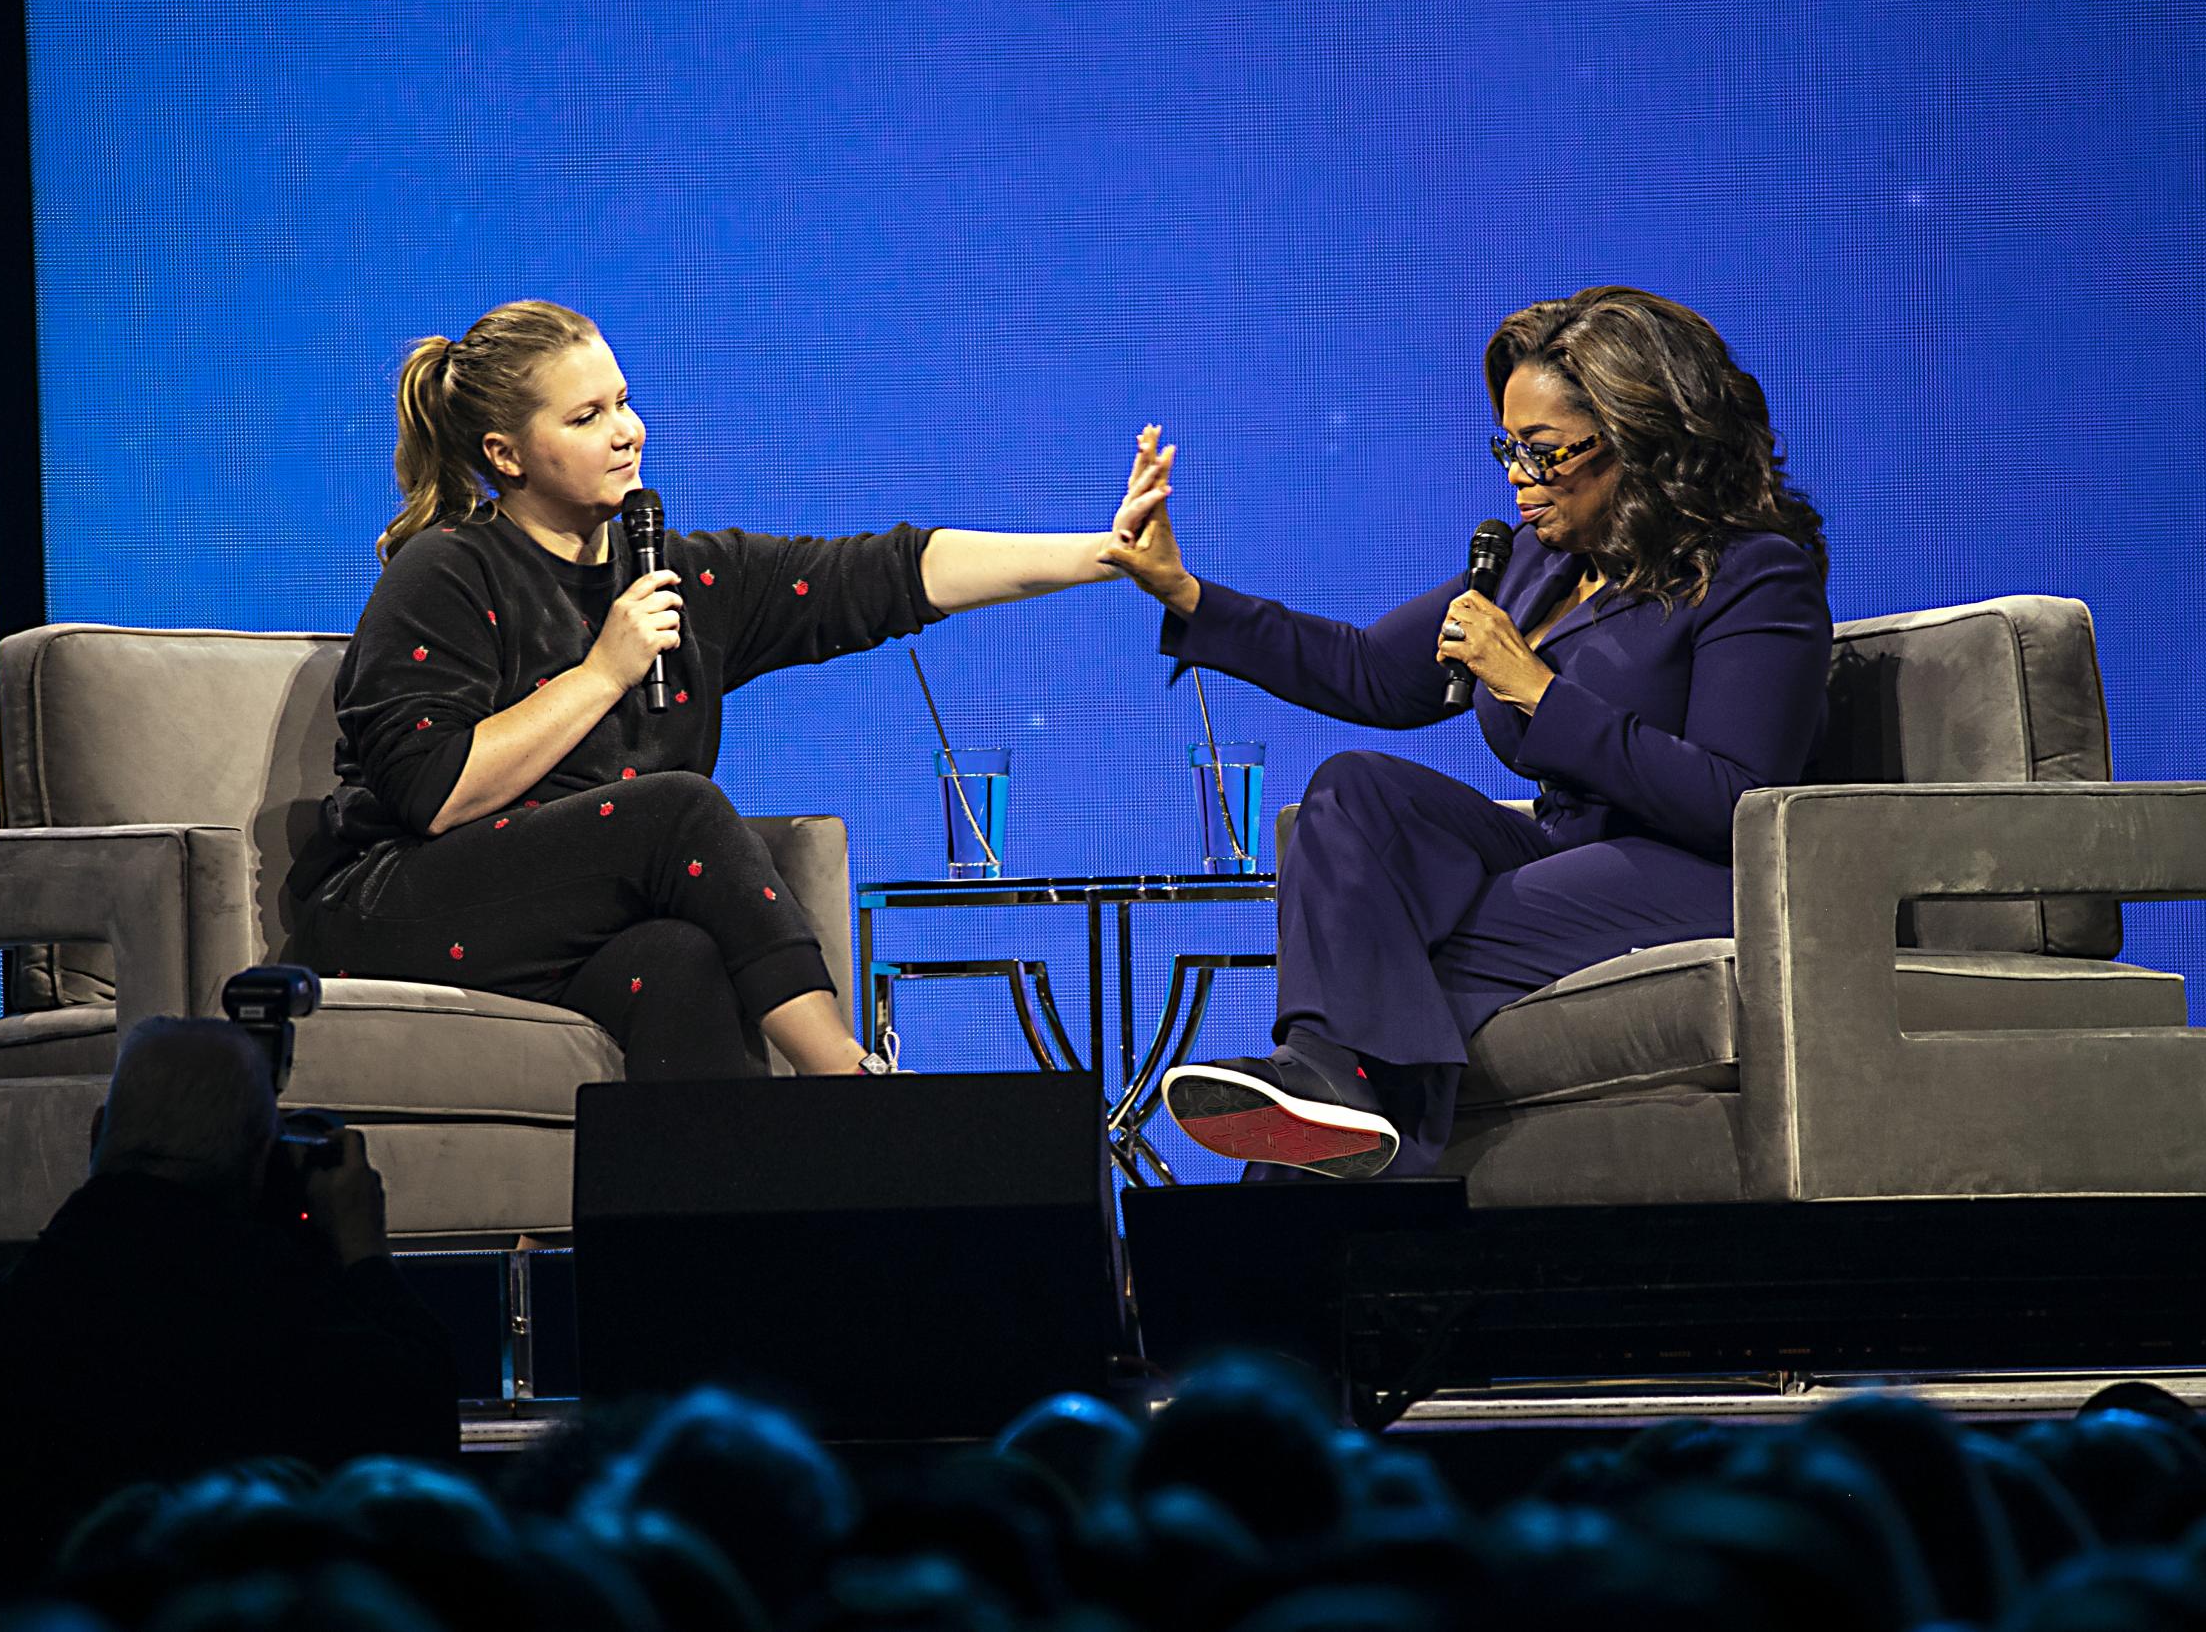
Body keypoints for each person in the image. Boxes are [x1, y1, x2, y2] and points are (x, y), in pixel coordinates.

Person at [291, 300, 1173, 1078]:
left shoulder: (676, 577)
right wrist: (605, 671)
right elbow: (435, 792)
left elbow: (886, 574)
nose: (627, 430)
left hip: (561, 925)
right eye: (589, 415)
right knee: (675, 809)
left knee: (683, 961)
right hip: (398, 906)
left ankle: (713, 1251)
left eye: (626, 401)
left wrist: (1101, 553)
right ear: (506, 454)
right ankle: (851, 1083)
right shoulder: (446, 570)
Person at [1103, 286, 1833, 1178]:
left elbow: (1738, 800)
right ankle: (1327, 1077)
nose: (1518, 477)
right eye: (1509, 448)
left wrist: (1536, 688)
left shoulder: (1756, 576)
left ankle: (1322, 1192)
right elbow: (1372, 669)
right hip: (1564, 851)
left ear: (1642, 439)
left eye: (1545, 451)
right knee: (1352, 791)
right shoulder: (1538, 562)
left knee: (1418, 952)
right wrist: (1188, 595)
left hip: (1693, 868)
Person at [0, 1017, 458, 1580]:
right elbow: (424, 1442)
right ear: (261, 1163)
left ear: (99, 1133)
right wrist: (362, 1248)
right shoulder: (285, 1321)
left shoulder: (5, 1316)